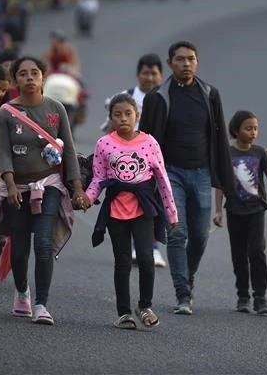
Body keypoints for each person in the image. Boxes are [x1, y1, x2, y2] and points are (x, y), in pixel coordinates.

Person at [0, 56, 90, 325]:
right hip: (17, 188)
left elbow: (68, 147)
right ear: (15, 80)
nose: (30, 78)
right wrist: (9, 185)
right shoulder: (6, 113)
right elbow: (4, 153)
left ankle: (42, 304)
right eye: (23, 74)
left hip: (50, 185)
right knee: (19, 249)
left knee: (43, 244)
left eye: (35, 73)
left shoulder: (56, 109)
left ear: (43, 78)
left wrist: (77, 188)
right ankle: (22, 291)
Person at [139, 41, 234, 315]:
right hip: (171, 174)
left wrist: (225, 181)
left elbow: (220, 138)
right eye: (180, 60)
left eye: (191, 59)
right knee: (177, 232)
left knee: (201, 236)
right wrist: (145, 181)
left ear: (197, 61)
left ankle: (187, 278)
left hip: (202, 172)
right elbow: (145, 141)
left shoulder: (209, 94)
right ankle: (183, 293)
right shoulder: (158, 98)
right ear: (170, 63)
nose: (186, 64)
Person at [86, 93, 177, 329]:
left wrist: (171, 213)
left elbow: (162, 179)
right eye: (118, 115)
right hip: (116, 210)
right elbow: (98, 178)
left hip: (143, 209)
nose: (123, 119)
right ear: (110, 117)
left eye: (128, 114)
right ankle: (124, 313)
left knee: (146, 259)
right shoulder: (104, 144)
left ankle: (145, 306)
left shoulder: (150, 143)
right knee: (123, 261)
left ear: (137, 115)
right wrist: (86, 199)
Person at [100, 54, 166, 268]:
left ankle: (152, 248)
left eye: (154, 73)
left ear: (160, 76)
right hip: (124, 162)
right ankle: (129, 247)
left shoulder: (165, 98)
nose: (149, 77)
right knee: (124, 202)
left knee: (152, 204)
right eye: (145, 73)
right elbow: (110, 129)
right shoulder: (125, 97)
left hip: (152, 161)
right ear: (138, 75)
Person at [213, 111, 267, 315]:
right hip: (234, 209)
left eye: (255, 128)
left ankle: (260, 297)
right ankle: (243, 295)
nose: (253, 133)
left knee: (257, 250)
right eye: (248, 128)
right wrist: (218, 211)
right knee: (238, 253)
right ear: (236, 130)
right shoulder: (228, 154)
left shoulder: (259, 153)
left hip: (256, 209)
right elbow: (221, 185)